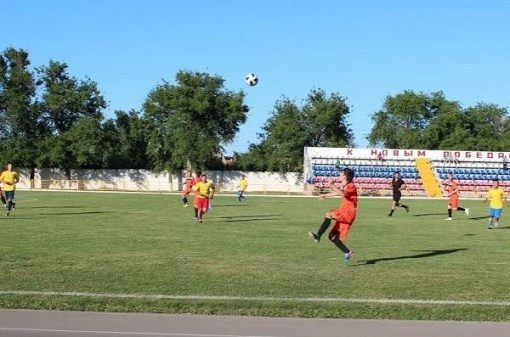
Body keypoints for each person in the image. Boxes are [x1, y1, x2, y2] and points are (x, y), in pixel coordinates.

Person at [308, 168, 358, 265]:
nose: (340, 174)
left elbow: (342, 194)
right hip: (344, 212)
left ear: (345, 176)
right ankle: (347, 252)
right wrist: (325, 195)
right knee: (332, 237)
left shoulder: (351, 186)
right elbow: (339, 193)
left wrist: (332, 185)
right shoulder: (346, 186)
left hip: (348, 213)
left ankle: (318, 235)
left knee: (329, 214)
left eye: (341, 173)